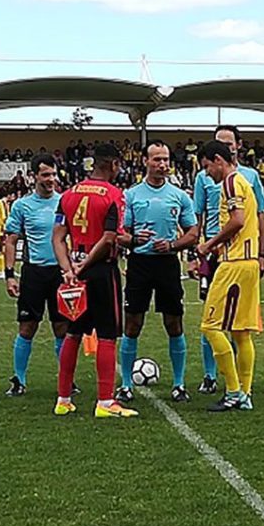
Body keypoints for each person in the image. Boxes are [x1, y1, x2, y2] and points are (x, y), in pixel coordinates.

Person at [52, 143, 138, 418]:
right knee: (107, 335)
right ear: (112, 164)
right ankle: (105, 402)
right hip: (101, 270)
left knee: (73, 333)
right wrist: (86, 264)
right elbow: (110, 237)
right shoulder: (114, 195)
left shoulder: (68, 194)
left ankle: (63, 399)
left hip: (75, 269)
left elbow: (57, 236)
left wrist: (69, 268)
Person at [115, 140, 199, 404]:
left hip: (168, 264)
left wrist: (173, 245)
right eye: (156, 160)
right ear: (145, 162)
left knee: (173, 323)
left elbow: (193, 233)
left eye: (165, 159)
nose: (162, 165)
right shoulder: (130, 196)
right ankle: (126, 384)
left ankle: (179, 384)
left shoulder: (180, 196)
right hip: (139, 265)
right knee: (132, 324)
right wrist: (134, 240)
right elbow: (120, 234)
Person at [192, 125, 264, 396]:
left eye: (206, 167)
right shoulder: (243, 182)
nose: (206, 173)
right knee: (240, 332)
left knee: (210, 326)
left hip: (234, 264)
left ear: (218, 161)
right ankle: (244, 394)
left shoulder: (229, 182)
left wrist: (209, 244)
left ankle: (234, 390)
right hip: (247, 262)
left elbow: (236, 220)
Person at [2, 154, 77, 397]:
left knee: (62, 328)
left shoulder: (65, 202)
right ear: (34, 176)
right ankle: (19, 379)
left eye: (54, 174)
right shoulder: (22, 206)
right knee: (27, 327)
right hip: (33, 272)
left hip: (60, 273)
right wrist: (10, 275)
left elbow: (72, 237)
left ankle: (66, 381)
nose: (51, 179)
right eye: (45, 175)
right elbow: (11, 241)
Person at [0, 190, 14, 279]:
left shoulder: (3, 204)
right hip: (1, 230)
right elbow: (0, 217)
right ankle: (0, 271)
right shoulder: (1, 204)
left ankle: (2, 270)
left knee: (3, 251)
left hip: (1, 229)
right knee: (1, 250)